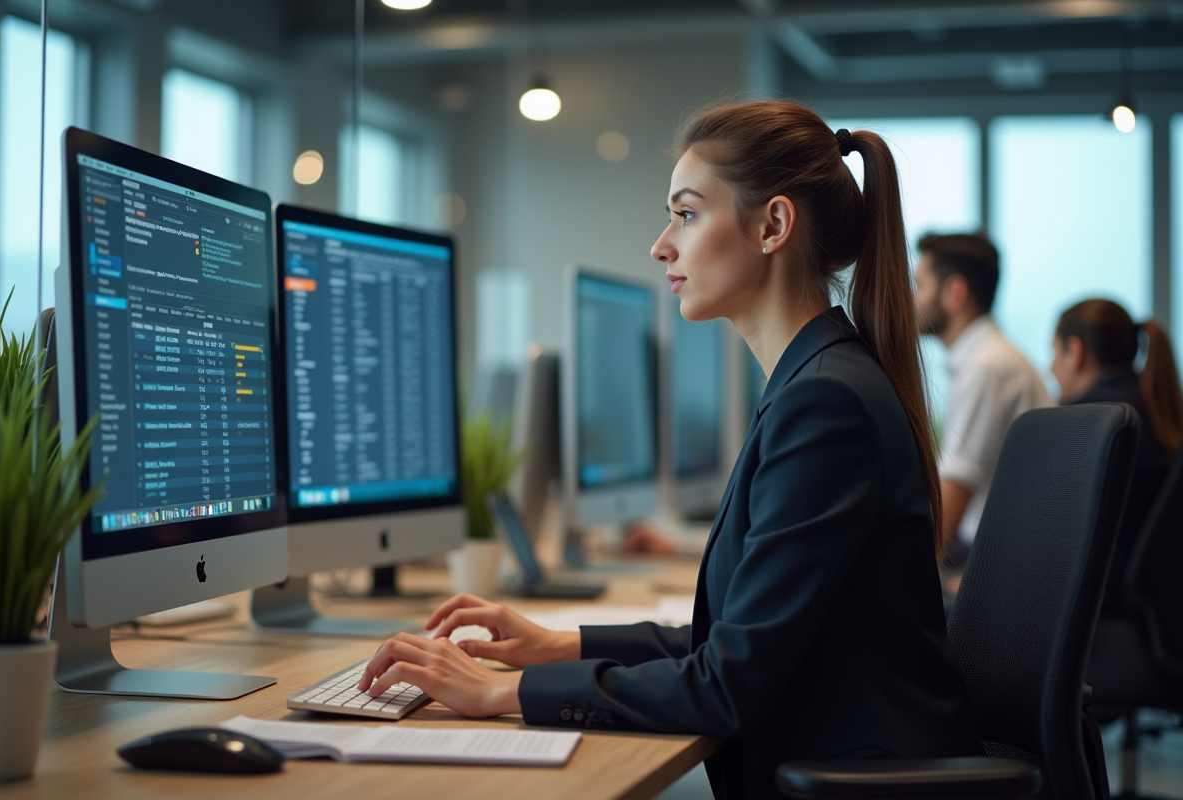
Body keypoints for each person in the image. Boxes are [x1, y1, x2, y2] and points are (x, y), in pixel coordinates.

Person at [356, 101, 980, 798]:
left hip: (846, 775)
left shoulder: (824, 402)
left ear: (772, 225)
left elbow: (727, 686)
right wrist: (559, 645)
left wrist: (504, 693)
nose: (662, 245)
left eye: (686, 214)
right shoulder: (819, 381)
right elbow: (739, 642)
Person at [913, 233, 1051, 559]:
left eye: (920, 285)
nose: (913, 298)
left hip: (1000, 559)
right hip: (1006, 554)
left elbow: (951, 500)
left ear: (954, 293)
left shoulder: (985, 366)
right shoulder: (990, 358)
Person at [1050, 298, 1183, 607]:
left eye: (1054, 352)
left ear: (1075, 352)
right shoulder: (1153, 404)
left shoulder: (1082, 421)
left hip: (1097, 602)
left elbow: (1050, 539)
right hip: (1153, 606)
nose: (1050, 366)